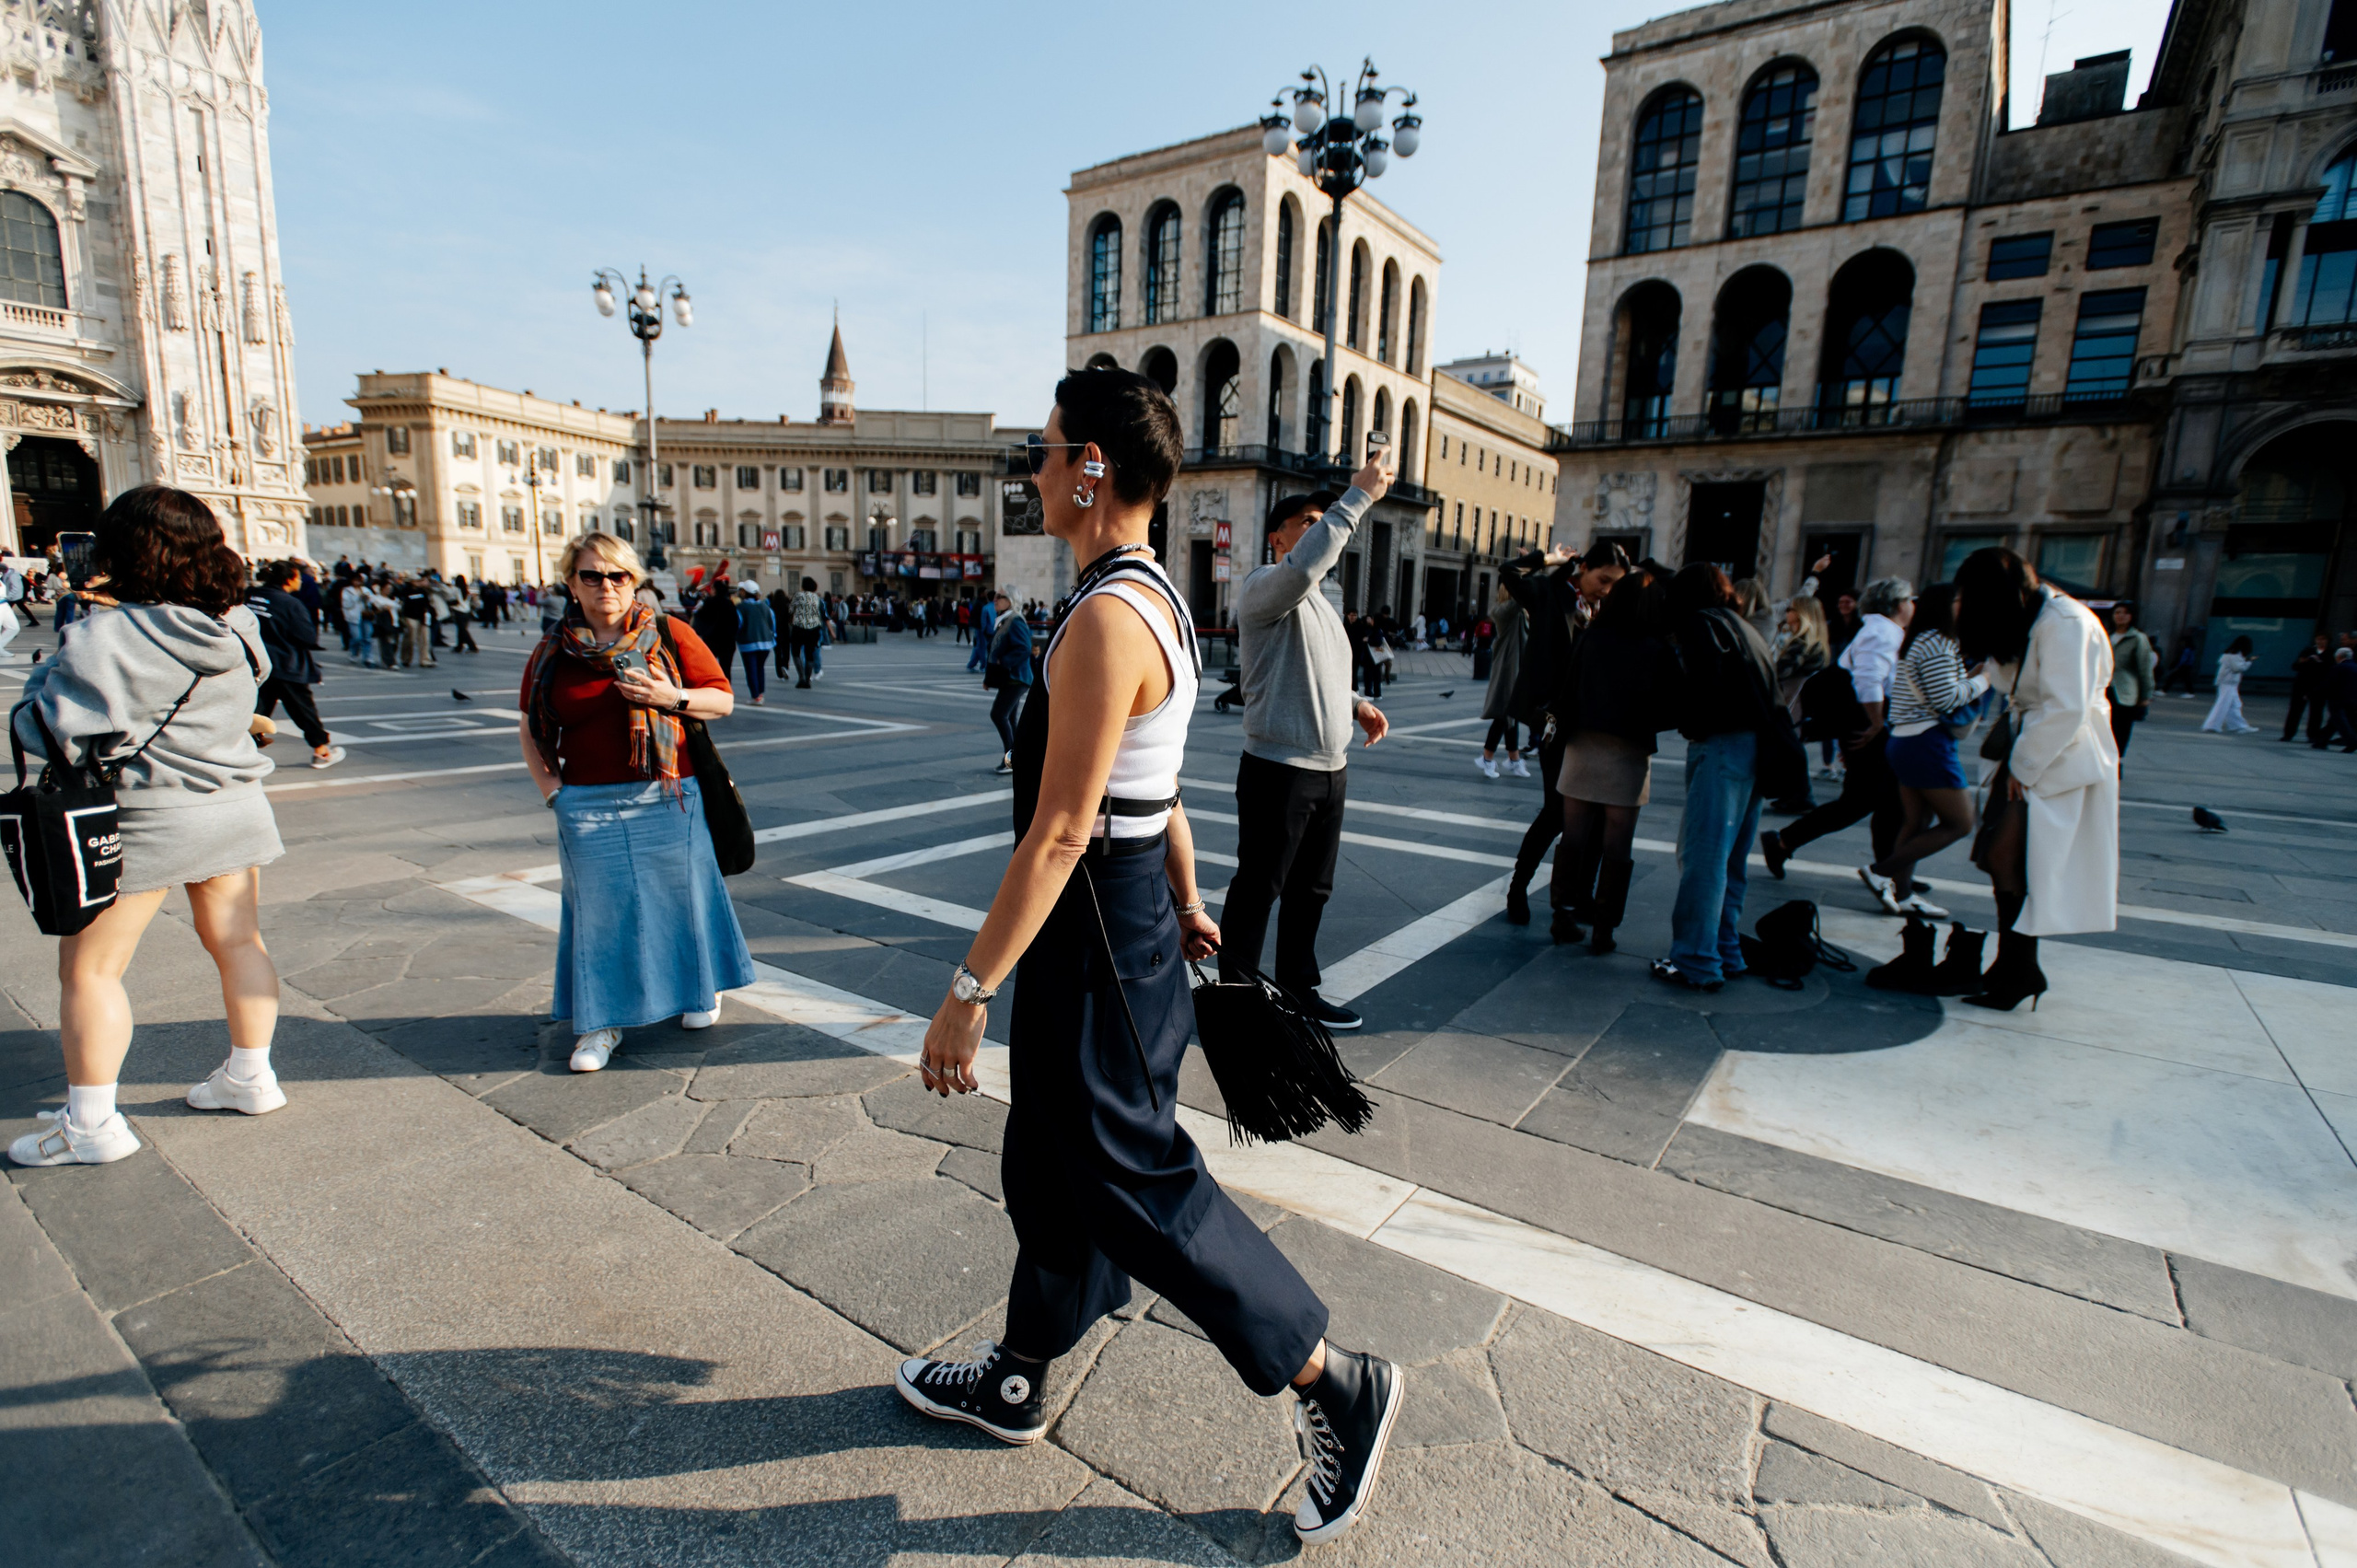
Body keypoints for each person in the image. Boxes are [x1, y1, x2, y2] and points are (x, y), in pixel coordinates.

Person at [902, 368, 1401, 1547]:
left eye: (1045, 445)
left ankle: (1332, 1378)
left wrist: (966, 993)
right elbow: (1158, 787)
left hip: (1088, 922)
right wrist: (1182, 896)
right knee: (1050, 1156)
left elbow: (1063, 827)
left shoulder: (1105, 619)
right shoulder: (1152, 596)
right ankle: (1022, 1369)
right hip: (1122, 911)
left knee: (1130, 1173)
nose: (1031, 464)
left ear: (1089, 469)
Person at [7, 486, 292, 1168]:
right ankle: (251, 1076)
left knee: (91, 969)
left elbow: (48, 731)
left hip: (147, 818)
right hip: (233, 807)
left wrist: (47, 668)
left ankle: (91, 1123)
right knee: (238, 942)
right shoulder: (235, 625)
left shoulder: (104, 635)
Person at [517, 531, 751, 1073]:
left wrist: (672, 698)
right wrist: (553, 792)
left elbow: (722, 699)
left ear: (634, 581)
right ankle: (600, 1024)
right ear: (571, 584)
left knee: (684, 899)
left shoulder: (668, 632)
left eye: (617, 575)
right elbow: (531, 728)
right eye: (591, 575)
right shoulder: (553, 650)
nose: (606, 586)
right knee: (598, 916)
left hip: (670, 795)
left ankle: (701, 990)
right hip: (586, 804)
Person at [1224, 476, 1395, 1033]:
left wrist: (1357, 703)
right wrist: (1357, 499)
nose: (1323, 530)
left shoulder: (1320, 603)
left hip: (1330, 768)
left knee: (1311, 890)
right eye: (1309, 523)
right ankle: (1237, 998)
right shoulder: (1265, 585)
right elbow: (1301, 570)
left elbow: (1315, 671)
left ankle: (1298, 989)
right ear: (1278, 538)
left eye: (1325, 522)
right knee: (1259, 887)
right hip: (1279, 768)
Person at [1954, 549, 2118, 1011]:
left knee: (2012, 860)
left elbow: (2066, 706)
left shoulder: (2065, 621)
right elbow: (2014, 683)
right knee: (2002, 859)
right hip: (2031, 752)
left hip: (2052, 756)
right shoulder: (2036, 617)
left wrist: (2023, 768)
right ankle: (2016, 966)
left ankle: (2019, 968)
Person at [1650, 564, 1782, 992]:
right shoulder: (1743, 626)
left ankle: (1695, 960)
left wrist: (1687, 721)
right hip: (1758, 748)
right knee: (1731, 858)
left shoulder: (1699, 624)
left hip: (1723, 745)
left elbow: (1703, 688)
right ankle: (1726, 949)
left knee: (1703, 856)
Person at [1759, 577, 1926, 914]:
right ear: (1895, 603)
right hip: (1871, 729)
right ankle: (1785, 842)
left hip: (1868, 728)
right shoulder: (1882, 632)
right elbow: (1867, 679)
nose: (1914, 605)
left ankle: (1891, 868)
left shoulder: (1880, 630)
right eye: (1911, 599)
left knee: (1877, 803)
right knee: (1869, 802)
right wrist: (1877, 723)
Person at [1499, 540, 1631, 923]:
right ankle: (1518, 888)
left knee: (1596, 815)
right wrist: (1552, 560)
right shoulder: (1550, 592)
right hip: (1554, 720)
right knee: (1557, 812)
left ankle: (1580, 896)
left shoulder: (1608, 609)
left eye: (1614, 585)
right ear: (1584, 567)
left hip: (1592, 725)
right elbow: (1509, 571)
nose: (1605, 589)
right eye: (1602, 579)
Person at [1547, 565, 1672, 951]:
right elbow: (1670, 708)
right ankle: (1604, 929)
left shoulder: (1591, 638)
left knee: (1574, 839)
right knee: (1618, 846)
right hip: (1628, 753)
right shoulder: (1657, 648)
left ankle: (1562, 916)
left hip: (1583, 747)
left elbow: (1566, 690)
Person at [1859, 584, 1987, 923]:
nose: (1966, 607)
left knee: (1917, 822)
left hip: (1905, 740)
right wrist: (1985, 680)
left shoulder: (1919, 640)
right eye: (1961, 601)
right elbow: (1946, 700)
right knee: (1961, 822)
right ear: (1945, 607)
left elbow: (1937, 689)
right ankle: (1879, 872)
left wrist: (1969, 679)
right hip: (1927, 743)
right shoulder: (1939, 643)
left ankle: (1903, 894)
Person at [247, 560, 344, 770]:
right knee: (303, 710)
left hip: (257, 665)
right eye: (298, 577)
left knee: (256, 711)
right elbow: (307, 637)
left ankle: (240, 752)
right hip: (286, 664)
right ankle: (321, 751)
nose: (300, 581)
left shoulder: (250, 596)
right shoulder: (290, 603)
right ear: (289, 579)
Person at [1768, 593, 1830, 812]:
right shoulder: (1806, 640)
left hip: (1794, 700)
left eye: (1792, 609)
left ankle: (1800, 795)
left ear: (1803, 614)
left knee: (1790, 747)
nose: (1787, 613)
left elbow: (1779, 671)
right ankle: (1793, 794)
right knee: (1791, 747)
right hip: (1795, 699)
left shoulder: (1801, 643)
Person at [1477, 583, 1527, 780]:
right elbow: (1520, 600)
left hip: (1516, 669)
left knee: (1509, 716)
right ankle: (1488, 758)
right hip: (1507, 670)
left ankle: (1512, 760)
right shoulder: (1504, 611)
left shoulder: (1518, 613)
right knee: (1504, 715)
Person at [983, 589, 1031, 773]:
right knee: (1009, 718)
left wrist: (1004, 663)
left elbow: (1024, 648)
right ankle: (1020, 757)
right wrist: (990, 677)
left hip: (1017, 678)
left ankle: (1012, 759)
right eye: (995, 596)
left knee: (998, 714)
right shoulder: (1004, 620)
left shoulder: (1015, 621)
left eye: (1000, 597)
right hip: (1010, 678)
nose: (995, 600)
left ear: (1011, 600)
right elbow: (995, 651)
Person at [2106, 602, 2156, 762]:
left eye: (2125, 613)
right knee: (2103, 726)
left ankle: (2117, 761)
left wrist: (2145, 696)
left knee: (2121, 728)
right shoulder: (2106, 635)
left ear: (2132, 616)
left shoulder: (2138, 638)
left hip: (2125, 690)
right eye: (2117, 612)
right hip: (2104, 687)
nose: (2120, 616)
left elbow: (2145, 669)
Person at [2200, 635, 2259, 734]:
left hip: (2229, 683)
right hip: (2228, 683)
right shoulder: (2234, 655)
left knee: (2234, 705)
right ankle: (2212, 725)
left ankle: (2238, 726)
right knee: (2224, 704)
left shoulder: (2232, 654)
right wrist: (2249, 662)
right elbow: (2237, 668)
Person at [2285, 633, 2333, 743]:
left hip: (2319, 685)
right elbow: (2296, 666)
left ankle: (2313, 734)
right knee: (2295, 710)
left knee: (2316, 712)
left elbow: (2330, 668)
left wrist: (2320, 663)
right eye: (2318, 639)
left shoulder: (2330, 652)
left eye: (2323, 639)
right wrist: (2305, 661)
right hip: (2302, 684)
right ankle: (2289, 733)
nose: (2320, 642)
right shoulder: (2308, 651)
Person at [735, 585, 776, 705]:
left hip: (748, 643)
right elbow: (772, 623)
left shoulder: (741, 607)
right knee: (760, 668)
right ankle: (760, 693)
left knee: (751, 669)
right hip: (766, 643)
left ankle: (755, 696)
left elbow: (738, 624)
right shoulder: (765, 606)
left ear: (744, 592)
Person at [2318, 646, 2357, 753]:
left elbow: (2329, 684)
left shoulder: (2338, 668)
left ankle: (2352, 742)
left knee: (2340, 722)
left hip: (2338, 699)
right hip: (2353, 700)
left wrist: (2319, 693)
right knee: (2335, 722)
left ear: (2339, 657)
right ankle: (2321, 741)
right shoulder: (2355, 667)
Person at [789, 575, 825, 688]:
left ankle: (801, 678)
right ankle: (808, 680)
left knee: (796, 652)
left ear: (803, 586)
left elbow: (791, 610)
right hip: (814, 628)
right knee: (810, 654)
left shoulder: (798, 595)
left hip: (799, 627)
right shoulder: (816, 597)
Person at [397, 575, 435, 668]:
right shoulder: (406, 591)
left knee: (425, 639)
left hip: (422, 617)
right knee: (410, 638)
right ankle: (406, 658)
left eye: (419, 581)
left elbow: (428, 603)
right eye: (416, 581)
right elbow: (402, 603)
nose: (418, 583)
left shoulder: (423, 591)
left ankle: (425, 659)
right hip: (410, 616)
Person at [447, 574, 480, 654]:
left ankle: (472, 646)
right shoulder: (467, 589)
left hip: (459, 611)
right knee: (462, 630)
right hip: (467, 611)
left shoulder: (455, 589)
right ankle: (459, 646)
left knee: (462, 630)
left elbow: (454, 600)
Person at [967, 590, 997, 674]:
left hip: (984, 630)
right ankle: (977, 664)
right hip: (994, 631)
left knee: (981, 648)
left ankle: (977, 664)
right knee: (986, 648)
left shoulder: (985, 607)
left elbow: (983, 621)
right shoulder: (996, 607)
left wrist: (983, 630)